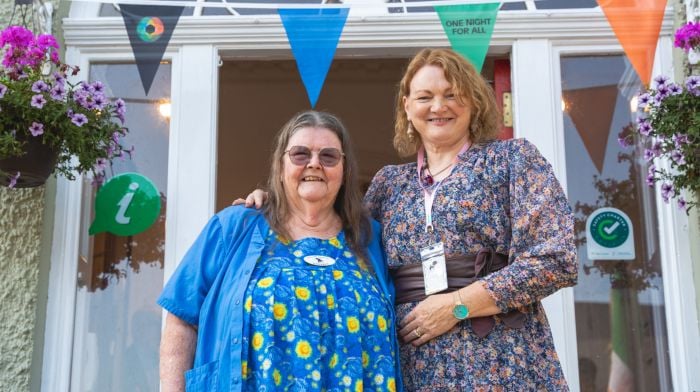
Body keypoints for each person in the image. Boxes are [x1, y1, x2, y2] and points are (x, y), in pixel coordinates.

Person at [239, 48, 577, 390]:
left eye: (451, 94)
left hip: (504, 358)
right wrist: (278, 200)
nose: (438, 106)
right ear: (407, 106)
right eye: (425, 96)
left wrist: (457, 307)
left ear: (473, 100)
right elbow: (333, 232)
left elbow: (556, 258)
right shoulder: (389, 182)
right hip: (413, 364)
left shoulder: (511, 160)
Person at [159, 110, 403, 391]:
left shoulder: (372, 238)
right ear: (280, 165)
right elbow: (181, 319)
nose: (314, 164)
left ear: (345, 169)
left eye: (329, 156)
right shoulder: (234, 227)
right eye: (300, 154)